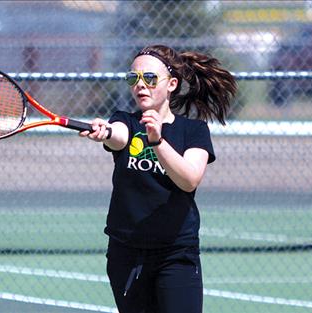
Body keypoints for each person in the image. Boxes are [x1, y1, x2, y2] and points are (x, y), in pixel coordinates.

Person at [80, 45, 237, 313]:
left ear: (172, 84)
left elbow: (189, 179)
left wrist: (157, 142)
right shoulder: (125, 122)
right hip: (126, 252)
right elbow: (117, 136)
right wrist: (105, 132)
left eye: (150, 78)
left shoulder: (194, 131)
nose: (140, 85)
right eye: (134, 78)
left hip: (176, 253)